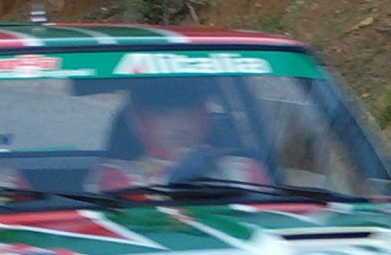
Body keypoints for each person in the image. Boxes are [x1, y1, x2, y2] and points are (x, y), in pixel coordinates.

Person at [88, 78, 270, 193]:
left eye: (189, 112)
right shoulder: (117, 174)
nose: (180, 124)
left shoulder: (245, 168)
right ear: (142, 122)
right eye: (163, 113)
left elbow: (271, 217)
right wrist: (173, 179)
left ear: (203, 117)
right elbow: (133, 225)